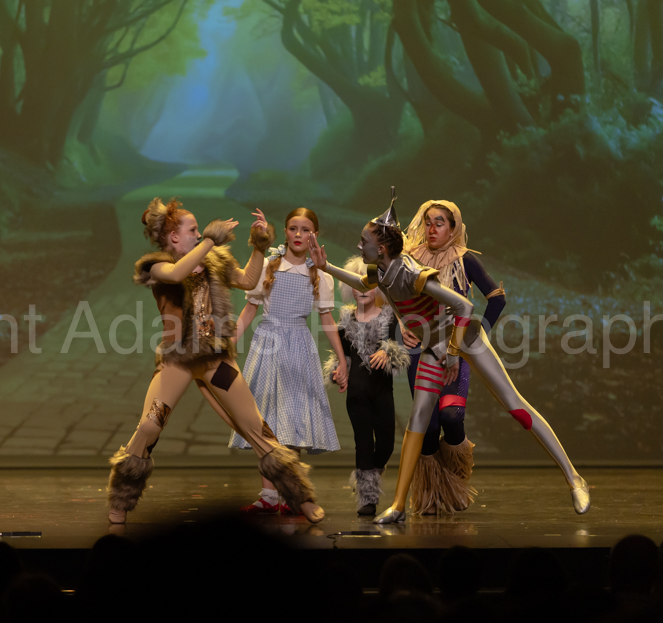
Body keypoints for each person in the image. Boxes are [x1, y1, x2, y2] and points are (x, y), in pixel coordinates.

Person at [309, 187, 589, 523]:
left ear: (380, 248)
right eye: (427, 222)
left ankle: (574, 477)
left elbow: (464, 306)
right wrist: (326, 267)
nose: (358, 246)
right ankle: (398, 505)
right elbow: (363, 283)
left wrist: (455, 353)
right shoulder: (381, 269)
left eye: (362, 241)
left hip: (464, 339)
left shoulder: (413, 271)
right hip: (433, 346)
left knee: (514, 405)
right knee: (418, 420)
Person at [107, 197, 324, 525]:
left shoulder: (213, 260)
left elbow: (248, 281)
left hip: (214, 360)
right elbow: (177, 273)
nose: (199, 234)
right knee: (150, 424)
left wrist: (259, 246)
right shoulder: (157, 266)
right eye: (193, 230)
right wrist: (210, 240)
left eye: (200, 231)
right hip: (178, 361)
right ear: (174, 237)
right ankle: (122, 496)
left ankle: (300, 495)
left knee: (254, 425)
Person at [230, 207, 343, 514]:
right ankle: (269, 496)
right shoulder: (269, 265)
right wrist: (229, 343)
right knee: (265, 421)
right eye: (293, 228)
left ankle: (291, 495)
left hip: (298, 346)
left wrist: (342, 359)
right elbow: (249, 309)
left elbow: (327, 318)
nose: (298, 235)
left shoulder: (319, 273)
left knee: (293, 420)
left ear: (314, 235)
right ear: (284, 232)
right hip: (268, 343)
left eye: (305, 230)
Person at [399, 201, 506, 515]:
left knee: (452, 416)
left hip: (454, 351)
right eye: (428, 222)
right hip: (421, 351)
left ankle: (456, 478)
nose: (432, 229)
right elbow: (396, 299)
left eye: (440, 222)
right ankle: (433, 495)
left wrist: (474, 337)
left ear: (453, 227)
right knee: (429, 428)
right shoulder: (412, 259)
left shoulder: (465, 259)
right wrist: (403, 325)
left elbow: (497, 299)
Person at [322, 256, 409, 515]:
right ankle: (367, 498)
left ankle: (372, 473)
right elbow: (342, 357)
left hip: (382, 391)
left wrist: (388, 352)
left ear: (378, 288)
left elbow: (401, 351)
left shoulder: (389, 318)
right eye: (356, 285)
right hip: (357, 393)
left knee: (386, 445)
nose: (362, 290)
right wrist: (338, 372)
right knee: (363, 443)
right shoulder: (345, 322)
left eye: (368, 285)